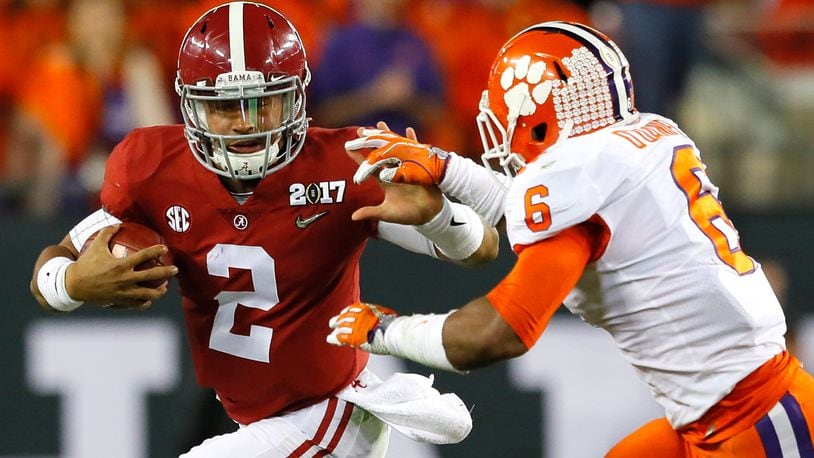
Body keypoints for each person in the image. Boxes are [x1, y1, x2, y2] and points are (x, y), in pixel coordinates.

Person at [28, 2, 498, 456]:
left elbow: (480, 248)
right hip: (260, 423)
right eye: (225, 106)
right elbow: (54, 264)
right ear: (191, 108)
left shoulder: (343, 163)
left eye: (262, 102)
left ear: (295, 98)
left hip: (333, 414)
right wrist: (72, 284)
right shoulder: (150, 167)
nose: (244, 123)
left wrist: (437, 216)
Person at [327, 21, 814, 456]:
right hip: (722, 414)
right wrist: (447, 167)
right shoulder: (645, 136)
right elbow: (536, 207)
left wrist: (383, 332)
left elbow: (496, 334)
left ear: (539, 117)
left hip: (759, 417)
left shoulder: (578, 182)